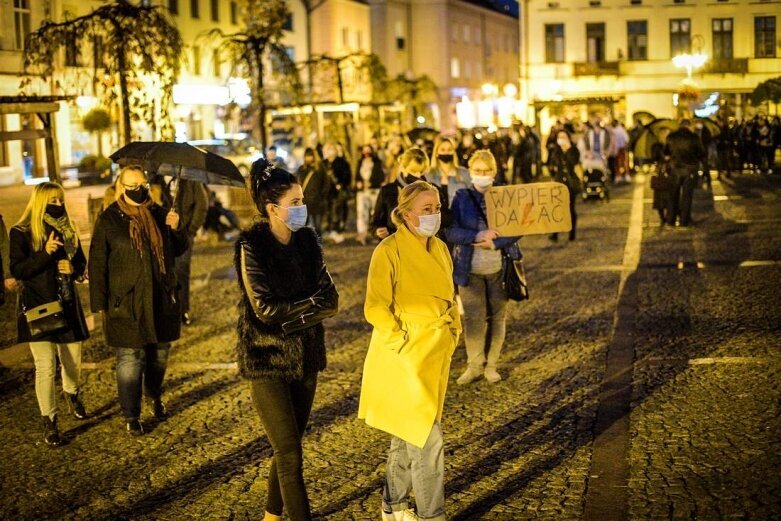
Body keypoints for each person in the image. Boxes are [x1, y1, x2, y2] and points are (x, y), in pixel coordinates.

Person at [236, 159, 338, 521]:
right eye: (295, 202)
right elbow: (264, 309)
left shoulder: (309, 242)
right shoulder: (252, 246)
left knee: (288, 447)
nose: (301, 208)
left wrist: (295, 311)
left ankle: (270, 514)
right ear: (272, 209)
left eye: (302, 200)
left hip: (307, 356)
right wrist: (309, 305)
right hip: (267, 359)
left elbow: (332, 300)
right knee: (291, 453)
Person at [359, 181, 460, 521]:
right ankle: (433, 516)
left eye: (437, 208)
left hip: (434, 352)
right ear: (405, 214)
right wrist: (400, 337)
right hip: (404, 359)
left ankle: (394, 505)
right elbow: (375, 307)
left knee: (407, 435)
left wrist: (453, 330)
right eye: (426, 209)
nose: (434, 215)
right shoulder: (388, 250)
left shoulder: (441, 249)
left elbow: (449, 294)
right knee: (428, 441)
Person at [89, 165, 189, 435]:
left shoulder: (160, 213)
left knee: (158, 355)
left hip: (160, 297)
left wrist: (177, 228)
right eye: (132, 185)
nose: (138, 189)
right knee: (130, 359)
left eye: (142, 184)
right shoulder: (110, 219)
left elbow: (179, 249)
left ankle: (153, 395)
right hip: (126, 302)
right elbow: (97, 261)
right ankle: (131, 415)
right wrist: (99, 303)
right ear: (121, 187)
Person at [10, 182, 90, 446]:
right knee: (45, 366)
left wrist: (73, 269)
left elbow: (80, 263)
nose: (58, 204)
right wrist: (45, 254)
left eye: (60, 199)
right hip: (38, 306)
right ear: (39, 202)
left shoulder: (69, 230)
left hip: (67, 303)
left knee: (72, 360)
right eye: (51, 200)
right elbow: (19, 269)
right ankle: (50, 421)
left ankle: (72, 392)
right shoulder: (21, 232)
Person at [445, 150, 522, 385]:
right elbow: (451, 231)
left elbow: (518, 228)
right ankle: (474, 365)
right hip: (468, 269)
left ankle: (492, 365)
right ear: (470, 173)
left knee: (498, 318)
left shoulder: (506, 196)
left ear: (494, 173)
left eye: (487, 171)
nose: (482, 175)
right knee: (473, 319)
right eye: (478, 171)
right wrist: (477, 235)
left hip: (499, 268)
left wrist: (496, 242)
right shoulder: (461, 197)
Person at [161, 177, 207, 325]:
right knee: (162, 272)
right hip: (161, 234)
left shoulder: (190, 180)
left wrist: (190, 230)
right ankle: (166, 309)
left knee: (181, 271)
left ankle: (182, 310)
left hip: (183, 233)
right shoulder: (156, 179)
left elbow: (202, 204)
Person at [372, 148, 433, 241]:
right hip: (395, 245)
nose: (417, 176)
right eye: (413, 171)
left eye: (421, 172)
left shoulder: (430, 191)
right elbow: (375, 221)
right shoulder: (388, 190)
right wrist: (378, 231)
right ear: (403, 168)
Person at [663, 119, 706, 227]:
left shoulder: (671, 136)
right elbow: (701, 153)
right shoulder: (694, 137)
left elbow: (665, 152)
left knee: (673, 196)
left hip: (674, 169)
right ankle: (684, 221)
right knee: (687, 196)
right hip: (690, 169)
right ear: (688, 126)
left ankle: (671, 220)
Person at [547, 130, 581, 242]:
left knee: (571, 209)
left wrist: (568, 150)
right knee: (557, 209)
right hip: (559, 183)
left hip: (570, 183)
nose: (561, 139)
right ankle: (555, 234)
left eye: (563, 136)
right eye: (559, 137)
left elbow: (574, 162)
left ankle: (572, 233)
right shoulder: (556, 151)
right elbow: (551, 164)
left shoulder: (574, 150)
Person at [295, 148, 331, 236]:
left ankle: (318, 242)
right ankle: (308, 243)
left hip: (317, 201)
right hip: (304, 201)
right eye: (307, 156)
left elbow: (326, 183)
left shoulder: (320, 168)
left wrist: (322, 196)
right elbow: (296, 182)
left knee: (318, 225)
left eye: (310, 156)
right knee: (304, 225)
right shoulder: (302, 169)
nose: (308, 158)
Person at [355, 144, 386, 245]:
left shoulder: (377, 163)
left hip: (374, 191)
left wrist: (372, 183)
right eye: (365, 152)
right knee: (362, 214)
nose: (367, 154)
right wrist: (359, 183)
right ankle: (362, 235)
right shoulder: (360, 163)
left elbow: (381, 177)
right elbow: (357, 176)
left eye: (369, 152)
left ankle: (375, 234)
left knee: (375, 213)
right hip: (362, 192)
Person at [321, 143, 351, 243]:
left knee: (337, 210)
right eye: (328, 150)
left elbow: (347, 175)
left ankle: (336, 230)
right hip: (326, 192)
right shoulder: (323, 163)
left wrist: (341, 184)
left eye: (332, 149)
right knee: (327, 211)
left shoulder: (342, 162)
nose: (330, 152)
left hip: (338, 191)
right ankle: (328, 230)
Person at [428, 136, 471, 205]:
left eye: (449, 149)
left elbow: (472, 197)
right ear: (436, 153)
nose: (446, 152)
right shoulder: (428, 174)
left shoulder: (464, 173)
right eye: (443, 149)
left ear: (453, 152)